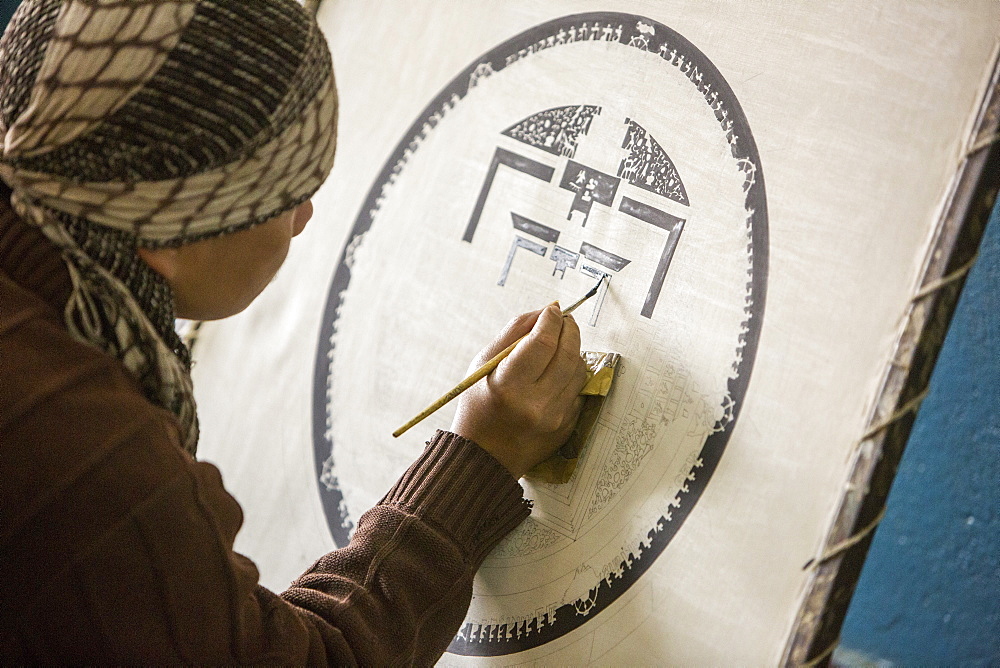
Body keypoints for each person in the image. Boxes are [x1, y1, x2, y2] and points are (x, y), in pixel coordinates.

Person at [0, 1, 586, 664]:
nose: (306, 218)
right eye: (288, 193)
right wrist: (480, 457)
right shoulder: (93, 463)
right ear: (172, 226)